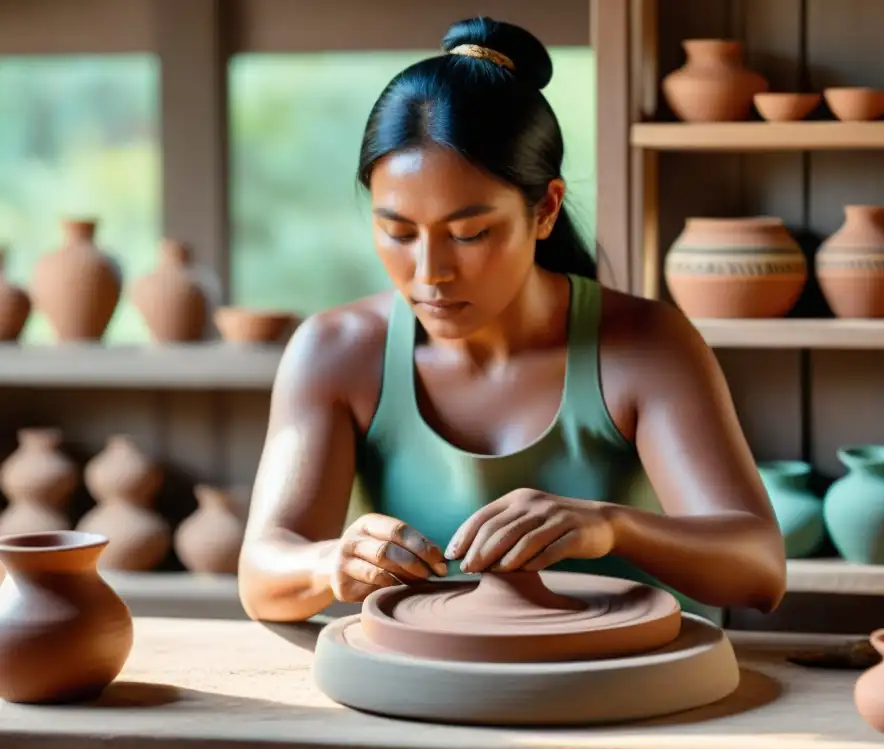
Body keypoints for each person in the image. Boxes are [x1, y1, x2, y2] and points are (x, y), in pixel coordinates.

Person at [237, 16, 786, 624]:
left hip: (630, 694)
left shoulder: (644, 346)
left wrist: (610, 527)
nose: (429, 272)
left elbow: (760, 569)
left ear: (545, 209)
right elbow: (262, 573)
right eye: (397, 232)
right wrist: (329, 563)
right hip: (430, 694)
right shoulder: (335, 352)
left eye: (469, 233)